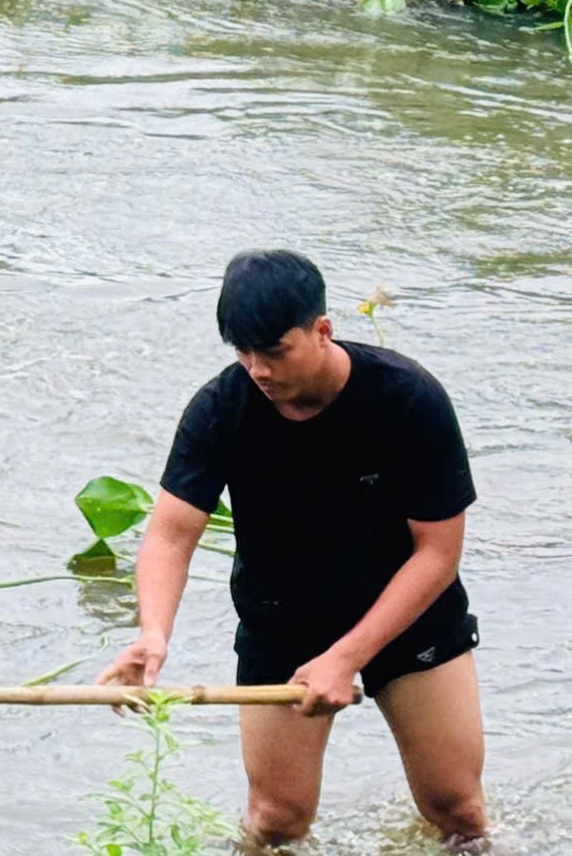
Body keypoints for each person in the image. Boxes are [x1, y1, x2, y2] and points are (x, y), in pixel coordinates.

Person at [99, 250, 485, 847]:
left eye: (274, 351)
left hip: (411, 619)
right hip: (283, 624)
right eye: (242, 352)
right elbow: (172, 534)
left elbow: (437, 554)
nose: (258, 369)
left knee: (456, 807)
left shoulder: (408, 399)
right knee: (277, 821)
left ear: (322, 330)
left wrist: (348, 655)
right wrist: (153, 633)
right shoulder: (220, 408)